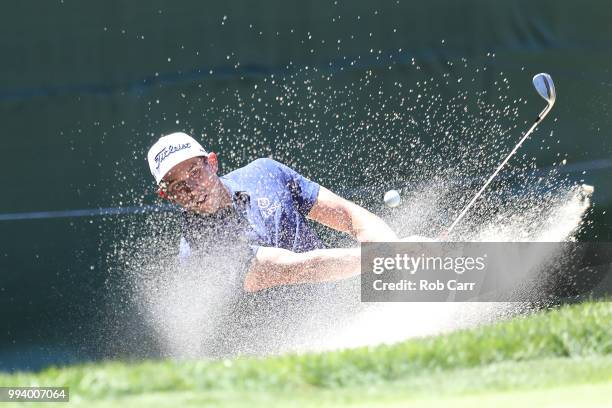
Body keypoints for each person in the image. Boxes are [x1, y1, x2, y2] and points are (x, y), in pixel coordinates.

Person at [147, 132, 400, 293]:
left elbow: (347, 214)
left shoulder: (264, 173)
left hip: (343, 302)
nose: (192, 189)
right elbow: (294, 268)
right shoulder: (198, 250)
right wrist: (387, 259)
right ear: (165, 195)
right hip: (288, 354)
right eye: (177, 186)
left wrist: (397, 251)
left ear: (212, 163)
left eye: (194, 172)